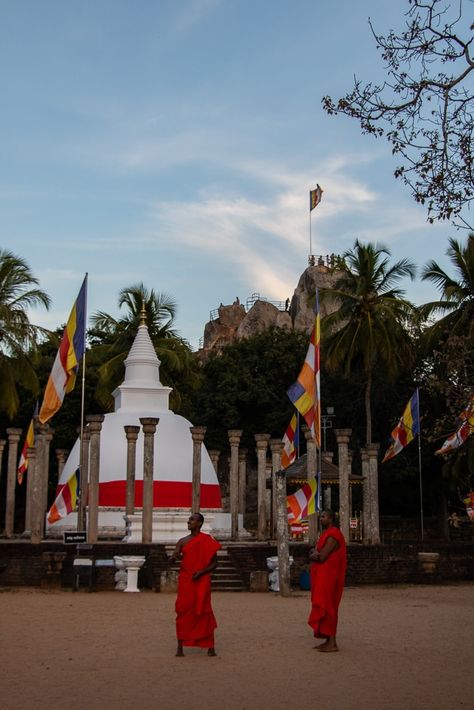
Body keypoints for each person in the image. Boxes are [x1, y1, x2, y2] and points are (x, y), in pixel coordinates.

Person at [169, 513, 221, 657]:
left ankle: (210, 646)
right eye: (189, 519)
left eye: (192, 519)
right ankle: (180, 647)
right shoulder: (182, 541)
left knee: (204, 611)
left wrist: (202, 572)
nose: (189, 521)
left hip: (201, 579)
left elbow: (215, 563)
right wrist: (172, 558)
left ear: (199, 523)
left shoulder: (206, 540)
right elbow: (175, 555)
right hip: (187, 580)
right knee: (182, 611)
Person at [308, 509, 347, 652]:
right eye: (320, 516)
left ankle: (332, 642)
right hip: (323, 576)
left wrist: (313, 554)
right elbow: (316, 552)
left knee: (328, 606)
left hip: (329, 577)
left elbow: (322, 556)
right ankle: (327, 639)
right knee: (323, 605)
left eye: (323, 517)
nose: (320, 519)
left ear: (330, 519)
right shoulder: (326, 534)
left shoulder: (334, 535)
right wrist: (314, 553)